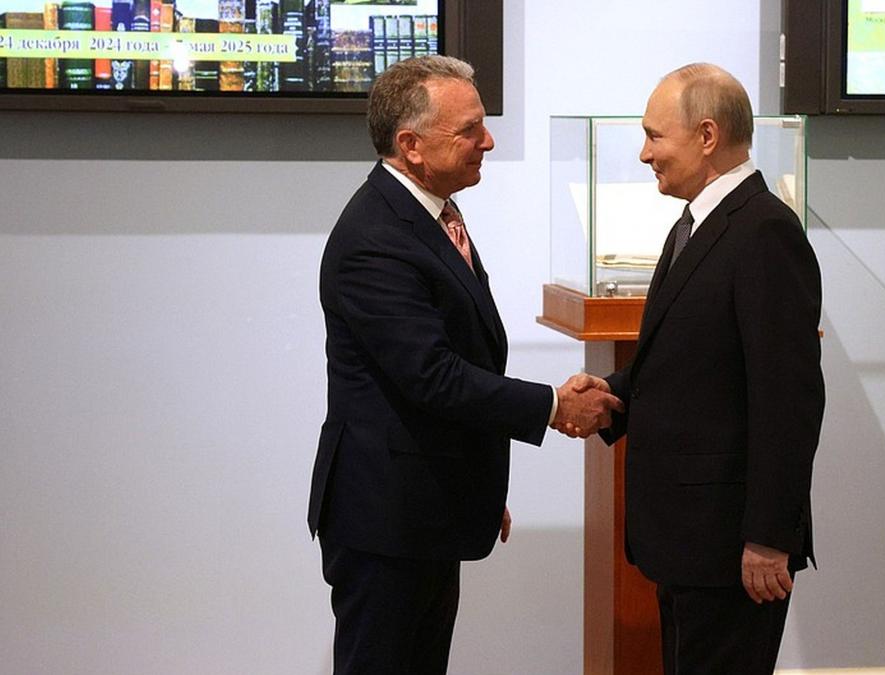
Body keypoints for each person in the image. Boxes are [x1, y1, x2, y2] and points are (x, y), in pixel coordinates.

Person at [307, 55, 621, 675]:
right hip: (386, 519)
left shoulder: (430, 212)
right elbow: (433, 375)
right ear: (411, 145)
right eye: (470, 129)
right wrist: (554, 405)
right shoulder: (376, 237)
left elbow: (462, 355)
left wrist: (474, 484)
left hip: (423, 506)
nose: (489, 141)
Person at [572, 63, 825, 674]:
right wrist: (611, 394)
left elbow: (788, 400)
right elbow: (691, 365)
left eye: (654, 136)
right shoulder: (694, 225)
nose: (644, 154)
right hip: (689, 542)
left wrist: (769, 537)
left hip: (732, 547)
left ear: (707, 135)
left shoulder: (765, 231)